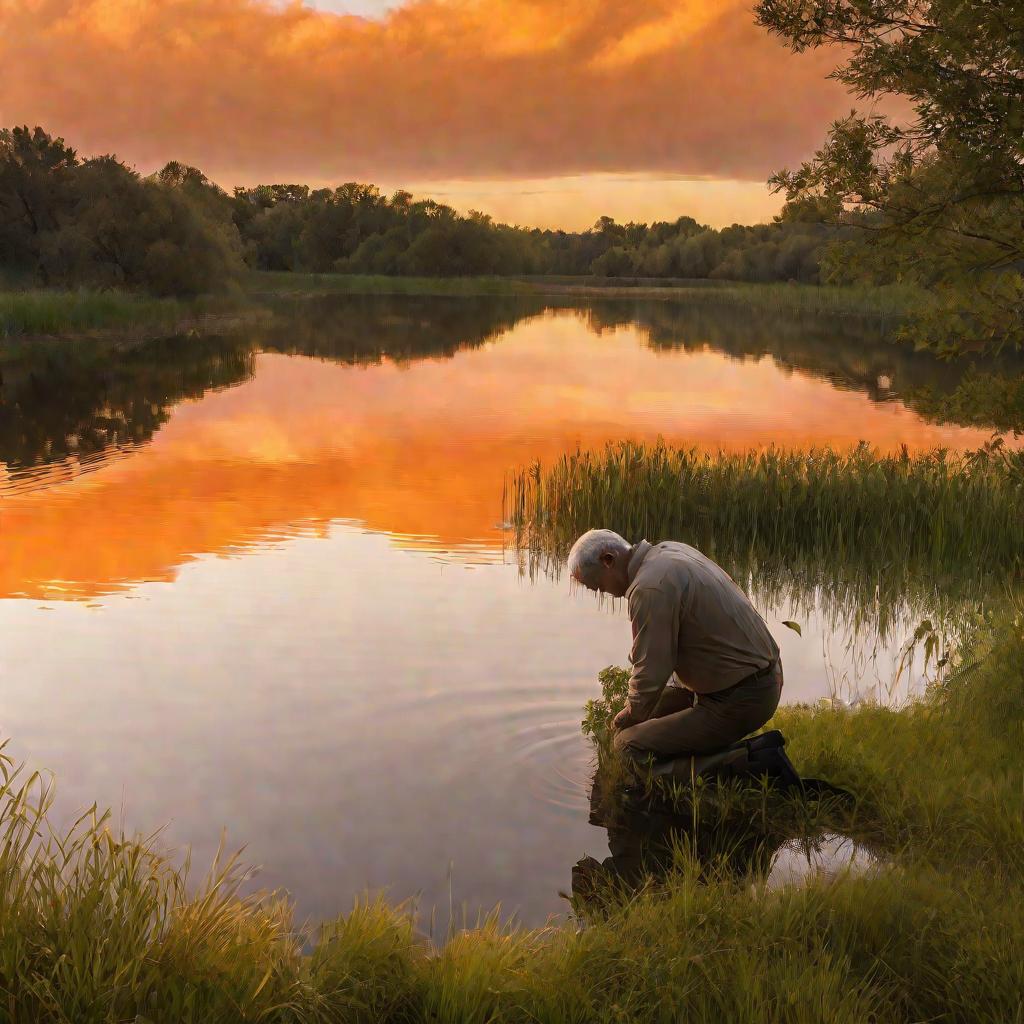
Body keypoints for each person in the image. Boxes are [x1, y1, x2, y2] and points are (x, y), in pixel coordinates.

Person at [568, 529, 782, 766]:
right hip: (756, 680)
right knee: (642, 720)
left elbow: (651, 671)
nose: (604, 593)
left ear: (608, 560)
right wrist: (639, 712)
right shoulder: (667, 551)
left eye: (599, 586)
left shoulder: (649, 588)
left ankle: (755, 760)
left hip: (742, 698)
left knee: (627, 745)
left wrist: (627, 717)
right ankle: (713, 747)